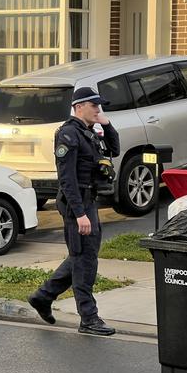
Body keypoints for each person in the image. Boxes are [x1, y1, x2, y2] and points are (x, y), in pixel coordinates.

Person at [28, 87, 120, 336]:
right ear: (79, 107)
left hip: (89, 201)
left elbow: (114, 149)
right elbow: (66, 179)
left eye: (99, 106)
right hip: (76, 203)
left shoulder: (88, 133)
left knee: (83, 256)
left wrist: (107, 124)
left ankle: (43, 296)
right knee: (84, 261)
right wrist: (79, 214)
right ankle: (88, 318)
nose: (98, 109)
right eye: (94, 106)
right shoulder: (68, 135)